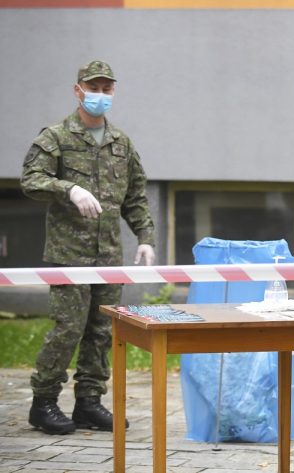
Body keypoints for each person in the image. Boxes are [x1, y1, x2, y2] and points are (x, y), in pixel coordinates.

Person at [21, 60, 156, 435]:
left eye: (107, 88)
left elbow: (136, 196)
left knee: (101, 332)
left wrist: (146, 237)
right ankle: (43, 402)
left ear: (113, 92)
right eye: (93, 87)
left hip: (108, 255)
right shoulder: (56, 136)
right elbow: (31, 179)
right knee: (68, 329)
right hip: (70, 256)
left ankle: (89, 403)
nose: (100, 94)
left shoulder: (120, 143)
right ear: (78, 90)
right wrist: (69, 188)